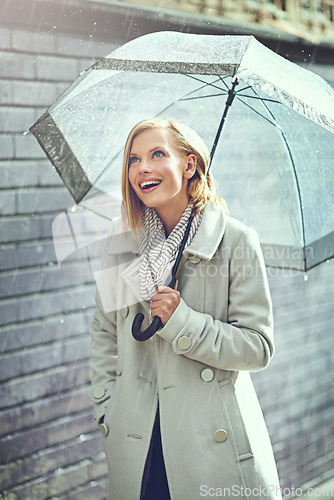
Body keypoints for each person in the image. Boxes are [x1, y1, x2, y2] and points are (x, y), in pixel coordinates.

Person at [89, 118, 282, 500]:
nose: (141, 167)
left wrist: (183, 322)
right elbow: (103, 331)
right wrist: (105, 405)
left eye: (157, 154)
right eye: (133, 159)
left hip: (207, 440)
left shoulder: (236, 241)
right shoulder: (120, 237)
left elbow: (258, 347)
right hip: (136, 437)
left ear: (189, 165)